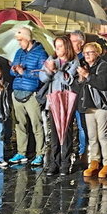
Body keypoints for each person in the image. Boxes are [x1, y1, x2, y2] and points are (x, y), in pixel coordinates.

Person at [40, 35, 79, 176]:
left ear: (66, 47)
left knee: (66, 132)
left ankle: (65, 163)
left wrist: (57, 71)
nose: (57, 49)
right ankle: (54, 163)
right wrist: (50, 70)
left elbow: (68, 80)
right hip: (53, 99)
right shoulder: (51, 60)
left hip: (67, 100)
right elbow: (43, 78)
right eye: (56, 46)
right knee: (54, 133)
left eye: (60, 46)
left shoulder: (74, 61)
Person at [9, 27, 49, 166]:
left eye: (20, 40)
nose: (19, 43)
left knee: (36, 125)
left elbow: (42, 75)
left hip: (32, 94)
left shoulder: (41, 53)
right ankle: (21, 152)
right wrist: (15, 70)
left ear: (27, 39)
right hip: (17, 92)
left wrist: (24, 72)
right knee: (20, 125)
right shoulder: (18, 52)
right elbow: (11, 70)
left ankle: (40, 153)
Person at [77, 42, 107, 178]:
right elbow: (81, 86)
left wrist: (88, 76)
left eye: (90, 52)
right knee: (92, 136)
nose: (86, 55)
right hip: (89, 104)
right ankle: (94, 161)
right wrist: (81, 79)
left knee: (103, 135)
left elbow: (103, 84)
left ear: (97, 53)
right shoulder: (86, 66)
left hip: (101, 105)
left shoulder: (104, 66)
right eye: (85, 52)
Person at [69, 30, 88, 160]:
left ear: (81, 43)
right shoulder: (68, 57)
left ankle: (83, 150)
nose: (71, 43)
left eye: (74, 41)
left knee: (82, 125)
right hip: (68, 95)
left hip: (80, 96)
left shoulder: (84, 58)